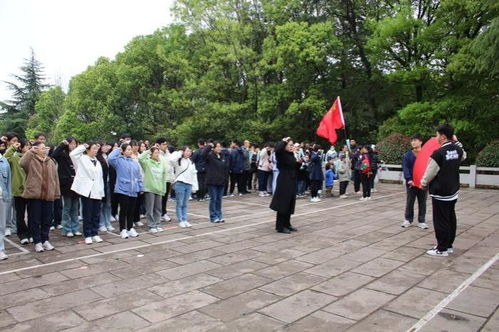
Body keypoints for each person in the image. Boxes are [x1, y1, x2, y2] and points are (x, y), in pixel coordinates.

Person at [422, 124, 466, 257]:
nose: (436, 138)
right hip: (453, 190)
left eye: (437, 135)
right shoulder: (457, 150)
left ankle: (441, 248)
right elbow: (464, 155)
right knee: (450, 218)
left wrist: (423, 183)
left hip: (440, 191)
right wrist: (457, 141)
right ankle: (448, 245)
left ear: (443, 136)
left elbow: (430, 172)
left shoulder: (438, 153)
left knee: (441, 220)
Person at [20, 142, 60, 252]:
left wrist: (56, 193)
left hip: (48, 195)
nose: (44, 150)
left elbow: (55, 179)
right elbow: (22, 163)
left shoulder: (50, 161)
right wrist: (31, 151)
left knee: (47, 219)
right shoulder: (31, 160)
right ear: (36, 149)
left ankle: (45, 239)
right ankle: (37, 241)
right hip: (34, 195)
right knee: (34, 219)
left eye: (45, 148)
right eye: (41, 148)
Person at [70, 142, 105, 244]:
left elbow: (100, 178)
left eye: (96, 149)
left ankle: (95, 233)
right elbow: (72, 154)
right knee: (88, 214)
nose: (95, 151)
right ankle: (88, 234)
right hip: (87, 191)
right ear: (87, 150)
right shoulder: (82, 159)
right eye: (93, 148)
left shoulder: (97, 162)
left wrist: (101, 191)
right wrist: (82, 146)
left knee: (96, 214)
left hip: (97, 191)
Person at [108, 143, 144, 239]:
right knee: (123, 210)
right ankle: (122, 229)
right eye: (127, 149)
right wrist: (118, 149)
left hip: (133, 189)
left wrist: (140, 187)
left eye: (130, 149)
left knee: (131, 210)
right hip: (123, 189)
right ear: (123, 151)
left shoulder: (134, 162)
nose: (129, 151)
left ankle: (130, 227)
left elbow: (138, 176)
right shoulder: (119, 161)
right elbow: (110, 158)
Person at [52, 137, 82, 237]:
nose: (73, 146)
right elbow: (54, 155)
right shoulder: (63, 155)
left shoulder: (78, 156)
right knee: (67, 207)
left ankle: (75, 228)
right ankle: (67, 228)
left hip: (77, 184)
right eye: (71, 143)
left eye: (75, 144)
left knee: (75, 207)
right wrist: (62, 145)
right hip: (66, 184)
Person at [4, 139, 32, 244]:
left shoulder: (32, 158)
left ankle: (31, 233)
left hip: (30, 190)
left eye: (29, 146)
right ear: (21, 147)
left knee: (32, 214)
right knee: (20, 214)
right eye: (26, 146)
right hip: (19, 191)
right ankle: (22, 235)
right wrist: (13, 147)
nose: (28, 148)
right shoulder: (15, 157)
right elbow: (6, 157)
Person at [270, 137, 300, 234]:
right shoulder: (281, 154)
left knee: (290, 203)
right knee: (283, 203)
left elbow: (294, 167)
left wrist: (299, 163)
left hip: (292, 180)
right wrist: (283, 141)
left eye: (292, 145)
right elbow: (277, 148)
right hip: (284, 180)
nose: (292, 147)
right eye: (290, 145)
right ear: (285, 146)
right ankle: (280, 226)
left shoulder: (291, 154)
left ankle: (287, 223)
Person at [401, 134, 429, 229]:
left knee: (423, 202)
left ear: (421, 142)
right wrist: (409, 179)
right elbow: (406, 168)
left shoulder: (426, 154)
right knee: (410, 201)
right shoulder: (408, 155)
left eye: (415, 140)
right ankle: (408, 219)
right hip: (411, 183)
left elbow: (429, 167)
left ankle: (421, 220)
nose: (413, 142)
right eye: (412, 140)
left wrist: (426, 180)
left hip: (423, 182)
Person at [139, 146, 168, 233]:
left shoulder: (161, 163)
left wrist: (163, 189)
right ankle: (151, 225)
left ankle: (157, 223)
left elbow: (163, 177)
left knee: (158, 208)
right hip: (150, 188)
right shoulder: (147, 163)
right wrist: (149, 150)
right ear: (151, 154)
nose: (157, 154)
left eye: (158, 153)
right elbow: (140, 158)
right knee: (150, 208)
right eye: (155, 153)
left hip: (159, 189)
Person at [169, 147, 198, 228]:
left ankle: (185, 219)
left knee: (185, 203)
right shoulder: (178, 160)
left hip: (188, 184)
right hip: (180, 183)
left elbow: (193, 174)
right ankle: (180, 220)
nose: (189, 152)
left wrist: (194, 186)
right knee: (180, 203)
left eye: (190, 151)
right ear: (183, 152)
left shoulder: (191, 162)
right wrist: (180, 153)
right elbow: (171, 159)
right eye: (187, 151)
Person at [203, 142, 229, 223]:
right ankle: (213, 216)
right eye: (217, 147)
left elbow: (225, 169)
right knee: (213, 199)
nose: (219, 148)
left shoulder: (222, 156)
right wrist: (209, 146)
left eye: (219, 146)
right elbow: (203, 155)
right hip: (212, 182)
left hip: (221, 181)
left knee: (219, 199)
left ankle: (219, 215)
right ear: (213, 148)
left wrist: (225, 180)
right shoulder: (210, 156)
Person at [96, 142, 115, 232]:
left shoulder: (108, 157)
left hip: (109, 183)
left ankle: (108, 222)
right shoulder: (97, 157)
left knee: (108, 204)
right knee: (101, 204)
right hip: (101, 183)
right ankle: (101, 223)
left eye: (106, 145)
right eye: (103, 145)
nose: (105, 147)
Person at [157, 137, 173, 222]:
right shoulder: (156, 153)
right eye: (163, 144)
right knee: (159, 198)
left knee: (165, 197)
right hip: (159, 180)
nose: (165, 146)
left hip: (167, 179)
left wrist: (171, 179)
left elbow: (170, 167)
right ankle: (158, 213)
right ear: (158, 145)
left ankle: (164, 212)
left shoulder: (168, 153)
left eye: (166, 144)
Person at [0, 150, 12, 260]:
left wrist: (8, 196)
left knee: (1, 225)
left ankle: (1, 248)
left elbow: (8, 181)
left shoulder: (4, 161)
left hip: (2, 196)